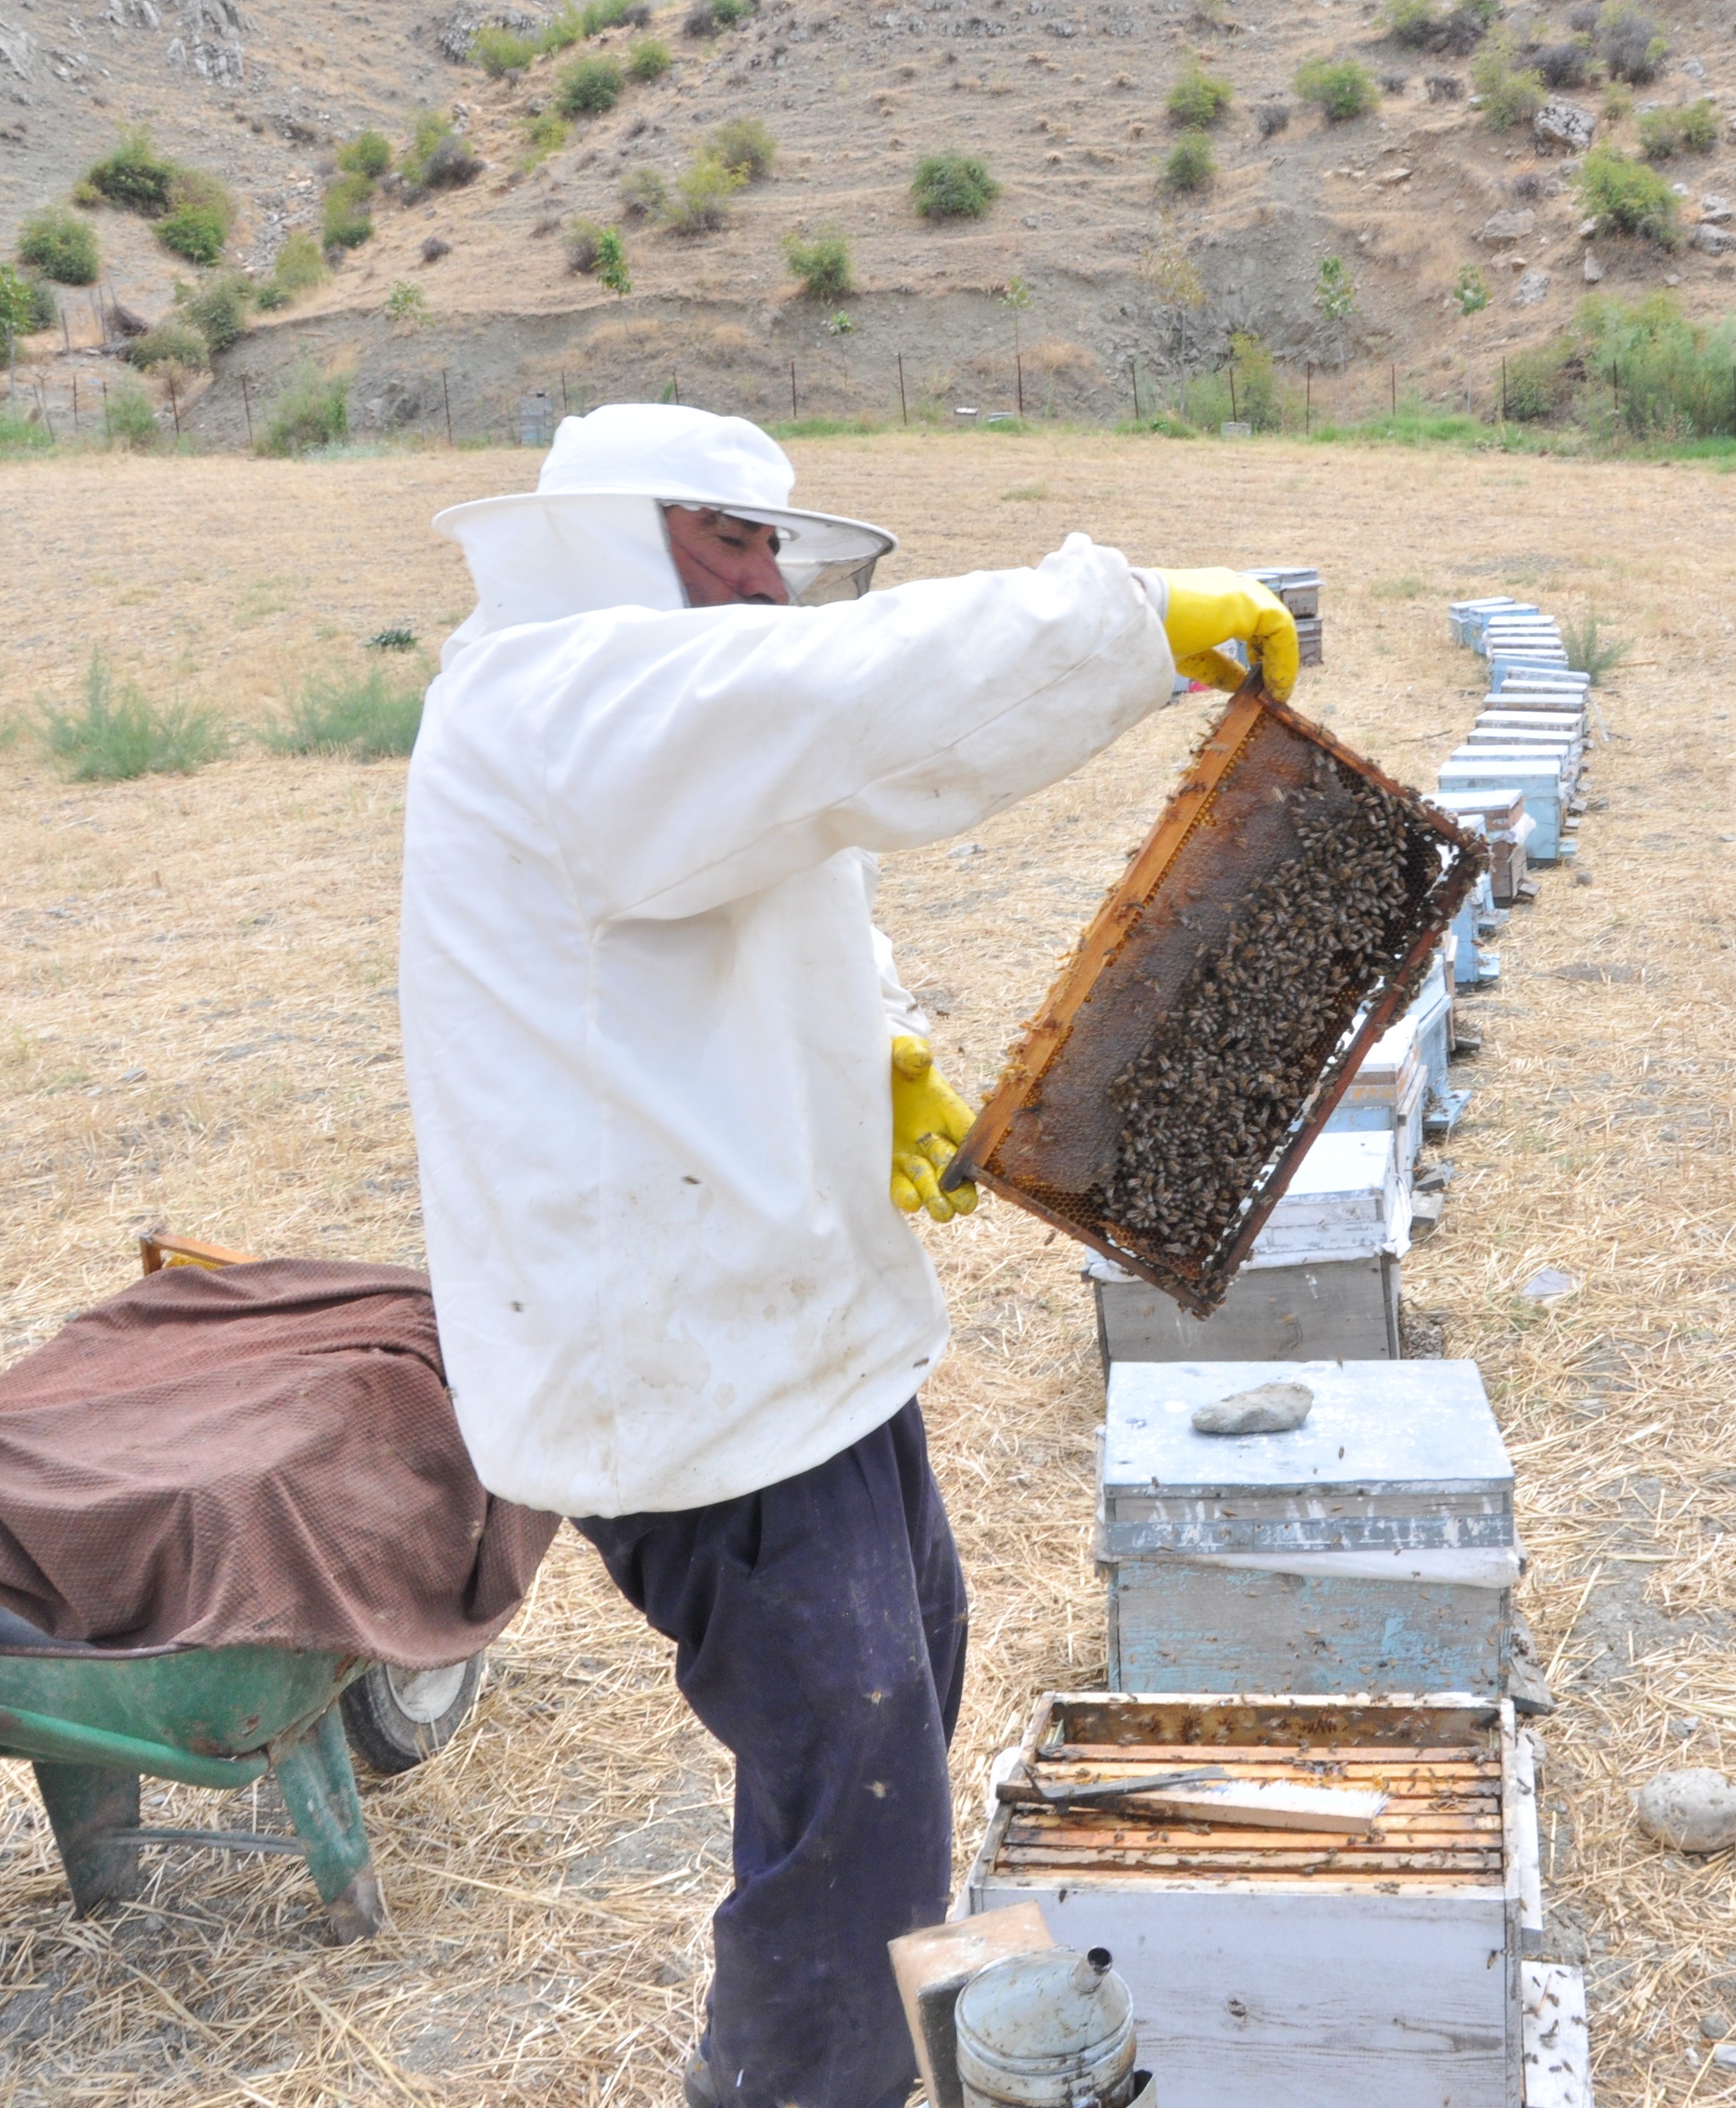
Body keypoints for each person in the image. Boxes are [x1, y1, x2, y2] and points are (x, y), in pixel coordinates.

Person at [398, 404, 1298, 2108]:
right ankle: (794, 2075)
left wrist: (880, 1040)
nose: (753, 577)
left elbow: (787, 863)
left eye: (767, 544)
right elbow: (829, 716)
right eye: (714, 537)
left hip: (782, 1319)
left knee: (912, 1666)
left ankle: (863, 2004)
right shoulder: (556, 697)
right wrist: (1119, 624)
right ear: (597, 533)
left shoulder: (636, 715)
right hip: (681, 1359)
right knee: (854, 1762)